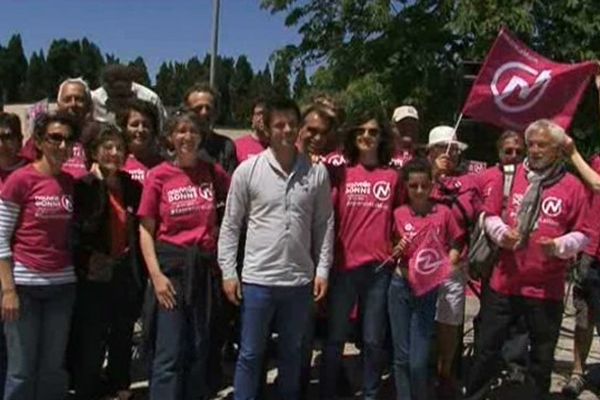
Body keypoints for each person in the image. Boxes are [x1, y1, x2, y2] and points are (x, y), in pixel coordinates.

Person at [465, 119, 592, 399]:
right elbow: (488, 215)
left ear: (558, 150)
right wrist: (500, 234)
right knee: (486, 350)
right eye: (531, 144)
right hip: (504, 284)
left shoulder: (572, 186)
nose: (534, 150)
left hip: (546, 290)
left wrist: (560, 245)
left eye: (542, 145)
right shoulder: (510, 176)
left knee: (541, 360)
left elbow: (585, 234)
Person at [218, 98, 334, 400]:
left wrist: (322, 269)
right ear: (267, 129)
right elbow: (231, 224)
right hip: (258, 281)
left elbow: (323, 224)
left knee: (292, 355)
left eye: (291, 124)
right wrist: (229, 271)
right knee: (251, 354)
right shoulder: (248, 170)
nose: (286, 130)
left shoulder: (316, 173)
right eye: (279, 124)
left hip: (299, 282)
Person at [138, 110, 229, 399]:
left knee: (199, 347)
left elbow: (241, 197)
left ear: (201, 136)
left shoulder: (213, 172)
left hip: (203, 270)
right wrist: (156, 276)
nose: (187, 137)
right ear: (170, 138)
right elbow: (145, 231)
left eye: (192, 131)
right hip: (171, 272)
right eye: (180, 131)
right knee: (169, 351)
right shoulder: (158, 176)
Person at [319, 110, 403, 400]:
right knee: (335, 338)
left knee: (372, 340)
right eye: (361, 132)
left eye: (373, 132)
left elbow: (401, 219)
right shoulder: (340, 173)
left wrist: (399, 247)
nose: (366, 136)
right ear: (353, 137)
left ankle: (370, 393)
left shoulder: (393, 177)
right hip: (344, 267)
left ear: (382, 138)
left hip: (379, 270)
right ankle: (327, 392)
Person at [0, 112, 80, 400]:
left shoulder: (70, 183)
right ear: (39, 141)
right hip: (24, 288)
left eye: (68, 139)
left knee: (52, 369)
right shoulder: (20, 180)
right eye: (55, 138)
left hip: (62, 287)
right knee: (21, 370)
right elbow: (0, 238)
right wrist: (8, 290)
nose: (62, 145)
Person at [70, 122, 144, 400]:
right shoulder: (83, 187)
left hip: (125, 273)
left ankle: (120, 386)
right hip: (93, 277)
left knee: (123, 336)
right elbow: (76, 235)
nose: (114, 153)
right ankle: (87, 390)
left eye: (119, 148)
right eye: (107, 147)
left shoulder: (132, 187)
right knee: (91, 340)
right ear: (94, 151)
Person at [388, 158, 463, 400]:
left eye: (423, 185)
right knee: (401, 357)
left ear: (431, 185)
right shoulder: (398, 213)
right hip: (400, 286)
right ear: (406, 187)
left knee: (418, 361)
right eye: (413, 186)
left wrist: (448, 264)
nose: (419, 191)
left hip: (427, 291)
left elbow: (456, 241)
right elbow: (388, 248)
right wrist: (396, 249)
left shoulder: (443, 212)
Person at [425, 126, 480, 399]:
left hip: (454, 262)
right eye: (441, 148)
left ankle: (445, 373)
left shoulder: (471, 182)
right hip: (420, 263)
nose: (448, 154)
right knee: (421, 320)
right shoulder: (419, 177)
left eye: (453, 149)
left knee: (449, 321)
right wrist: (434, 176)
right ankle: (421, 370)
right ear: (429, 152)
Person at [21, 78, 92, 179]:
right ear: (58, 105)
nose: (73, 104)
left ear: (89, 105)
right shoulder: (43, 135)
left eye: (79, 99)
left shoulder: (97, 136)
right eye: (67, 99)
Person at [184, 83, 238, 174]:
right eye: (198, 108)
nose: (204, 112)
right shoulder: (174, 145)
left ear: (216, 112)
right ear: (186, 111)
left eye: (208, 108)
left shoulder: (225, 147)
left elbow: (230, 185)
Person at [92, 64, 167, 129]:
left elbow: (161, 129)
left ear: (130, 85)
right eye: (114, 96)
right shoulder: (94, 99)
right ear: (105, 88)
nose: (119, 101)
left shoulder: (150, 98)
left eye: (122, 96)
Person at [116, 99, 164, 185]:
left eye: (146, 125)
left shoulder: (165, 166)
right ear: (124, 128)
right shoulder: (116, 163)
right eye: (134, 125)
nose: (140, 130)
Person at [234, 98, 269, 163]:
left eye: (265, 113)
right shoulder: (238, 146)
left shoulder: (277, 146)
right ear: (252, 118)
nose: (262, 118)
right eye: (259, 114)